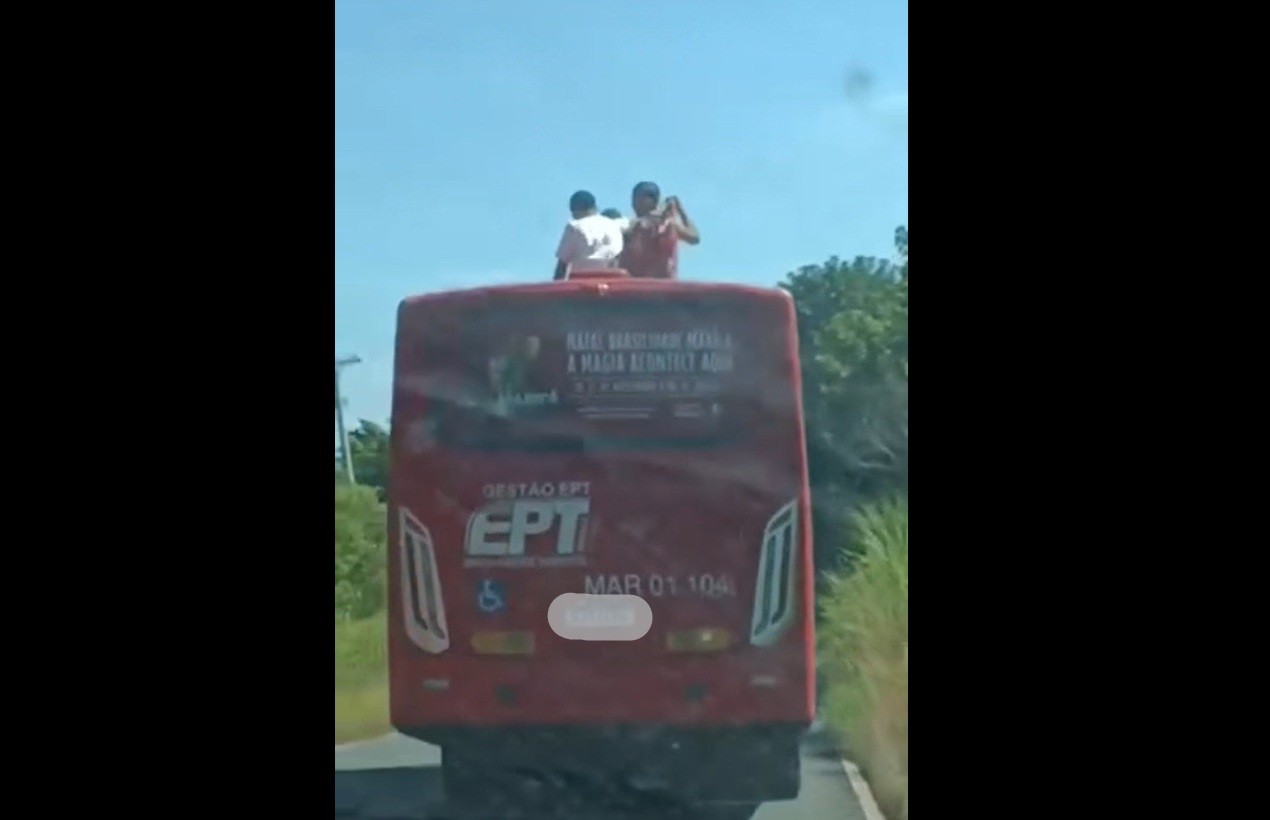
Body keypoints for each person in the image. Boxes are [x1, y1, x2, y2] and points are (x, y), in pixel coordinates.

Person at [618, 181, 700, 279]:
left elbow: (695, 238)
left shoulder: (635, 226)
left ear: (647, 199)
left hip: (638, 285)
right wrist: (680, 211)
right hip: (663, 287)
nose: (633, 204)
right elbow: (694, 237)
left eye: (635, 199)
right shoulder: (669, 224)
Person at [553, 190, 624, 280]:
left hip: (581, 283)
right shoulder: (613, 225)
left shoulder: (574, 227)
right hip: (612, 280)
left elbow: (562, 265)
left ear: (575, 210)